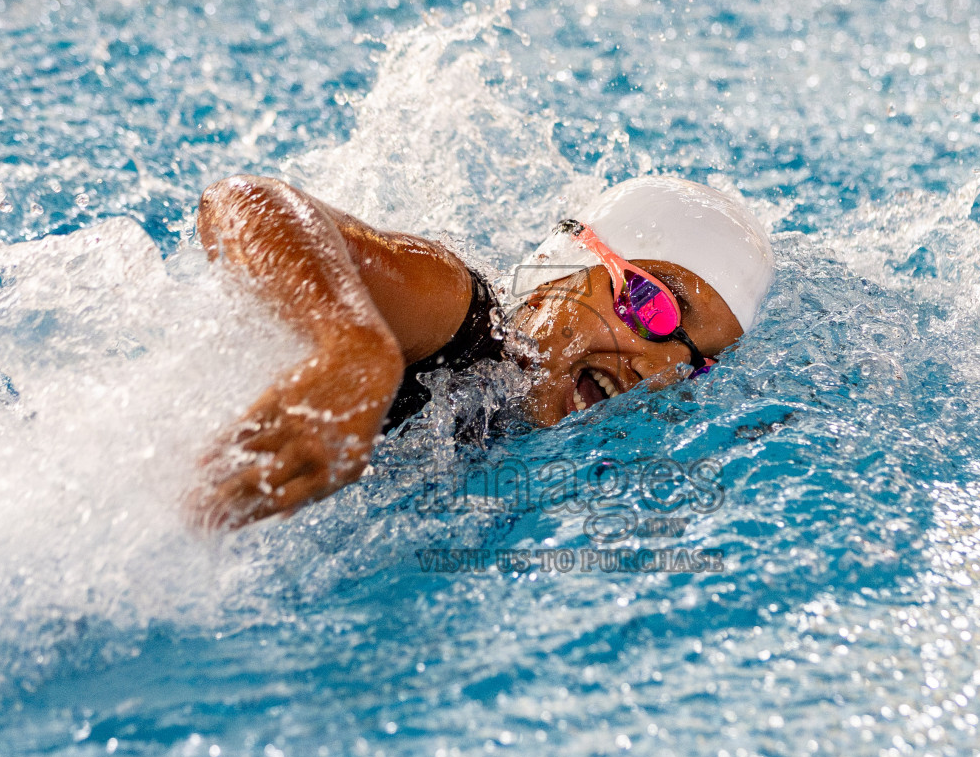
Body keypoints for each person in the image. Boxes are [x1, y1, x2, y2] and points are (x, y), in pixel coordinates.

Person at [190, 174, 774, 530]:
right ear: (566, 264)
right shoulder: (463, 327)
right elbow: (243, 203)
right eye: (654, 307)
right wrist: (353, 348)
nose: (657, 370)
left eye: (695, 364)